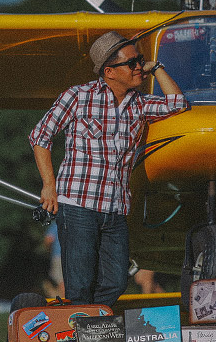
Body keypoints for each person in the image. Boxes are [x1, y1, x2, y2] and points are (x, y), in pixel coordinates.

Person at [29, 31, 189, 306]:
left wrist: (158, 67)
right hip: (78, 205)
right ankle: (80, 340)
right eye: (133, 62)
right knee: (79, 284)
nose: (140, 66)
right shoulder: (77, 96)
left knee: (116, 281)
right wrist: (49, 186)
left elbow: (178, 104)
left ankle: (92, 321)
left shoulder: (139, 104)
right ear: (110, 71)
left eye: (140, 60)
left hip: (116, 209)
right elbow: (40, 136)